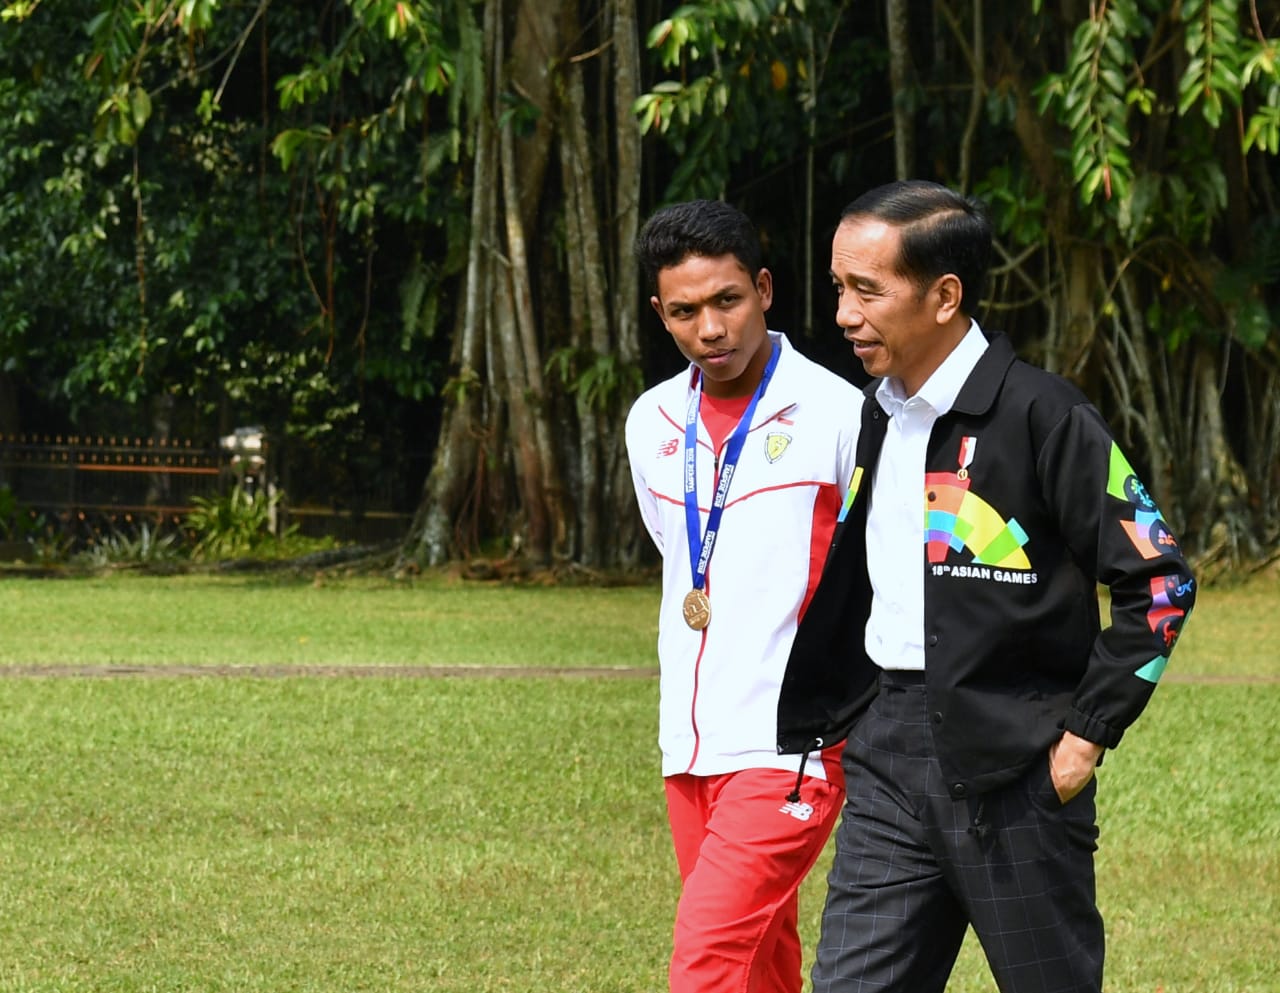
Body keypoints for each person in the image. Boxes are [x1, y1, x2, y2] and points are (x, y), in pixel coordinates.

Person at [776, 180, 1197, 993]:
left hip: (1021, 769)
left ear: (944, 296)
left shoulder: (1044, 415)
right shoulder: (878, 413)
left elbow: (1161, 580)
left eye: (867, 289)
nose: (843, 314)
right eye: (838, 288)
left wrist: (1082, 740)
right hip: (889, 758)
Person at [625, 199, 863, 993]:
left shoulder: (839, 413)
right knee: (760, 960)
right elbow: (683, 557)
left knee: (706, 962)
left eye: (727, 300)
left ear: (763, 288)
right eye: (686, 311)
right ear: (661, 314)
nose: (711, 328)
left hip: (791, 744)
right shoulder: (650, 420)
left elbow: (867, 575)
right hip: (690, 748)